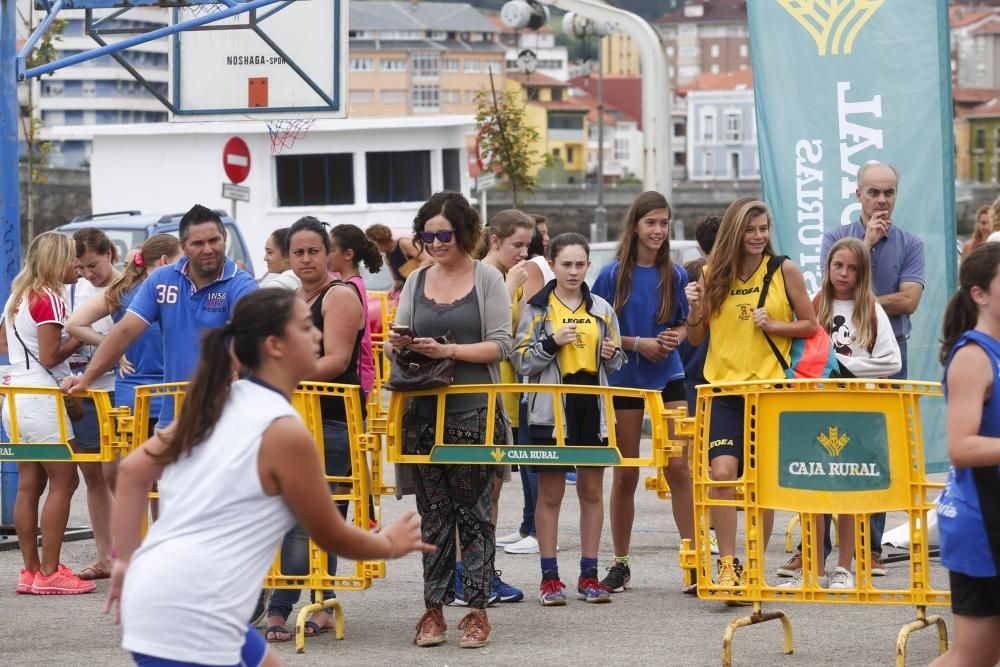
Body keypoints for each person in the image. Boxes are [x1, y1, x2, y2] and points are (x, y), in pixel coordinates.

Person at [105, 288, 432, 666]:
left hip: (161, 592)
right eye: (307, 327)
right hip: (192, 610)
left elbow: (132, 472)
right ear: (275, 345)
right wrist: (388, 545)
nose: (317, 336)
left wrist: (126, 561)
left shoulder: (217, 402)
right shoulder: (284, 431)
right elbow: (329, 534)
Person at [387, 191, 513, 649]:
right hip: (423, 414)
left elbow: (502, 344)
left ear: (464, 232)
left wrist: (448, 351)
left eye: (445, 234)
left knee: (475, 516)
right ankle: (433, 611)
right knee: (433, 517)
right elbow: (392, 340)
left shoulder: (487, 279)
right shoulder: (417, 280)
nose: (437, 243)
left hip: (474, 413)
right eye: (428, 235)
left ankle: (477, 611)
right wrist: (399, 344)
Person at [685, 198, 819, 603]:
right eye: (751, 229)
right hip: (724, 392)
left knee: (760, 485)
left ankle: (754, 567)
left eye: (764, 228)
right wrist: (694, 307)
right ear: (734, 232)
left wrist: (774, 324)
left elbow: (811, 324)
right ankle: (727, 566)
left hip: (769, 392)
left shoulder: (784, 269)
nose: (759, 236)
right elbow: (695, 337)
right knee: (722, 474)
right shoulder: (712, 274)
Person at [263, 216, 368, 642]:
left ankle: (282, 608)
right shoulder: (290, 300)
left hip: (332, 419)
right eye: (298, 252)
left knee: (310, 516)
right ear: (288, 257)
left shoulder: (338, 296)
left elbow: (338, 361)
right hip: (295, 418)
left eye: (313, 251)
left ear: (328, 254)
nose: (306, 259)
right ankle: (317, 604)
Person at [818, 161, 925, 577]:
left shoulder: (912, 243)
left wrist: (861, 300)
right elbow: (829, 291)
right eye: (874, 192)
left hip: (888, 351)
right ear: (859, 194)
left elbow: (910, 300)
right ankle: (818, 548)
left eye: (889, 192)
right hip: (840, 354)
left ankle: (872, 547)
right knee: (827, 448)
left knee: (875, 450)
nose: (882, 200)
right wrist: (863, 243)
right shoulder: (836, 238)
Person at [62, 204, 259, 427]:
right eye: (198, 243)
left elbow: (249, 331)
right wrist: (85, 379)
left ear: (225, 238)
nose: (208, 249)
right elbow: (125, 331)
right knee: (134, 462)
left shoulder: (241, 283)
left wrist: (236, 361)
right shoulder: (162, 279)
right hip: (172, 418)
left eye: (214, 240)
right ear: (183, 246)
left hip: (223, 418)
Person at [779, 237, 901, 591]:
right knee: (813, 489)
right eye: (838, 266)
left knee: (847, 490)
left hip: (854, 410)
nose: (844, 273)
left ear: (862, 273)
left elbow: (891, 361)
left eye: (852, 268)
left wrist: (842, 366)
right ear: (828, 267)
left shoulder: (871, 309)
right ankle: (813, 567)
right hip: (814, 408)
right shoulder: (815, 304)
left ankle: (844, 567)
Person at [512, 232, 626, 606]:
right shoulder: (538, 308)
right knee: (550, 494)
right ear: (553, 264)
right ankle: (549, 579)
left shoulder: (602, 309)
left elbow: (617, 359)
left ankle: (589, 576)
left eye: (580, 265)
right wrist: (551, 342)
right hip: (549, 412)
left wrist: (611, 353)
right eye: (566, 264)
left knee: (592, 492)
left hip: (590, 409)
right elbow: (521, 360)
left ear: (588, 266)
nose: (574, 271)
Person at [590, 191, 692, 594]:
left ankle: (694, 558)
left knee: (679, 469)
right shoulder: (612, 274)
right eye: (651, 222)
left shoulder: (677, 274)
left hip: (670, 376)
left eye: (664, 223)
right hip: (626, 380)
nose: (658, 230)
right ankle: (620, 563)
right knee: (626, 472)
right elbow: (598, 330)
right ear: (635, 225)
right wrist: (638, 343)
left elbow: (686, 325)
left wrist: (673, 338)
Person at [2, 232, 93, 595]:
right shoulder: (51, 298)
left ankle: (30, 570)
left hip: (14, 394)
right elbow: (52, 355)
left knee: (29, 483)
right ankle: (51, 571)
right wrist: (80, 336)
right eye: (73, 258)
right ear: (58, 260)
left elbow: (4, 343)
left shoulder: (18, 295)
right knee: (65, 481)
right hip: (42, 399)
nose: (77, 266)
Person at [929, 243, 1000, 667]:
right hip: (982, 523)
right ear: (980, 294)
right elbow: (960, 447)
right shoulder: (973, 357)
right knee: (973, 657)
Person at [65, 233, 182, 483]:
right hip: (172, 395)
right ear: (164, 261)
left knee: (140, 480)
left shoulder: (122, 291)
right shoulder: (178, 292)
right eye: (181, 260)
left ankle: (136, 524)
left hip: (131, 398)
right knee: (170, 484)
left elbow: (74, 323)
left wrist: (111, 344)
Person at [67, 227, 121, 583]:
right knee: (93, 476)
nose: (88, 273)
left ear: (109, 255)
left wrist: (112, 349)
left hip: (117, 389)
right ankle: (104, 557)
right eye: (82, 267)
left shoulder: (126, 286)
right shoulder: (77, 289)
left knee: (119, 473)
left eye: (93, 265)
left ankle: (130, 554)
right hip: (83, 389)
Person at [478, 211, 533, 548]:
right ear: (495, 241)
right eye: (517, 245)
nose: (523, 253)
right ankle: (470, 576)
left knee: (493, 491)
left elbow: (516, 336)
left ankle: (483, 573)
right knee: (480, 493)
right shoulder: (484, 278)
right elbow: (486, 333)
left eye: (528, 245)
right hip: (481, 396)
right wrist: (510, 287)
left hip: (507, 397)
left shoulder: (510, 279)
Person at [505, 215, 552, 555]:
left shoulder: (530, 268)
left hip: (531, 373)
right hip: (527, 374)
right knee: (525, 447)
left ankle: (537, 529)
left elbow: (527, 320)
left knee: (532, 450)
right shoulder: (533, 265)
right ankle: (527, 525)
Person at [329, 223, 380, 396]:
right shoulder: (350, 283)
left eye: (330, 249)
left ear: (348, 254)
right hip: (360, 371)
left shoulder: (349, 287)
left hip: (356, 375)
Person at [365, 222, 432, 298]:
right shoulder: (387, 257)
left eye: (371, 244)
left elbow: (427, 259)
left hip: (427, 289)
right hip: (413, 294)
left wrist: (414, 278)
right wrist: (393, 289)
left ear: (378, 241)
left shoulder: (403, 244)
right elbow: (397, 280)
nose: (371, 248)